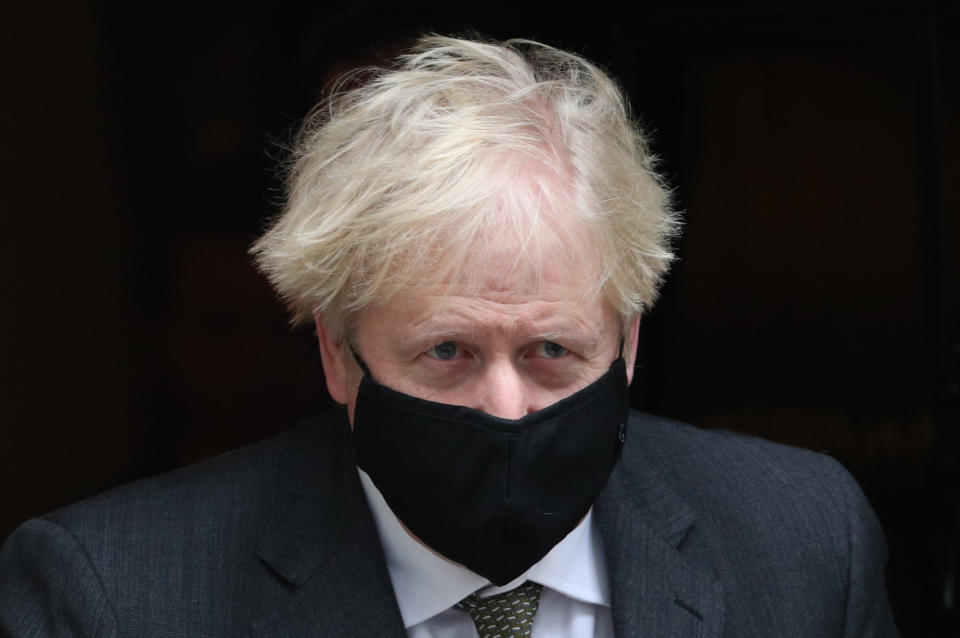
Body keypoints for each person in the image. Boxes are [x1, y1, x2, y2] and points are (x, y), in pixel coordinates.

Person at [0, 35, 898, 637]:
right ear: (334, 355)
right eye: (446, 353)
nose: (505, 410)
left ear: (626, 343)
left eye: (552, 352)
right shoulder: (113, 595)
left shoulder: (804, 542)